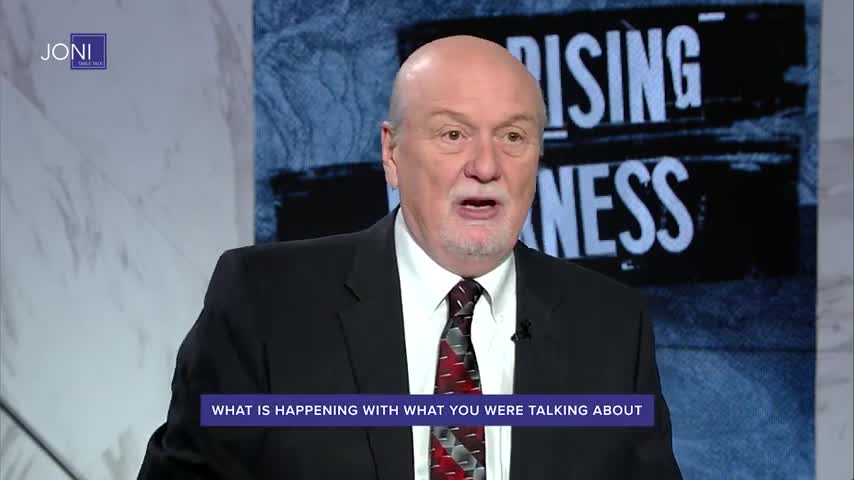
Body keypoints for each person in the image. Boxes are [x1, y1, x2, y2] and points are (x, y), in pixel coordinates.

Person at [139, 35, 682, 479]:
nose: (486, 166)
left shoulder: (612, 324)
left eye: (513, 136)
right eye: (453, 134)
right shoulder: (265, 301)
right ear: (392, 153)